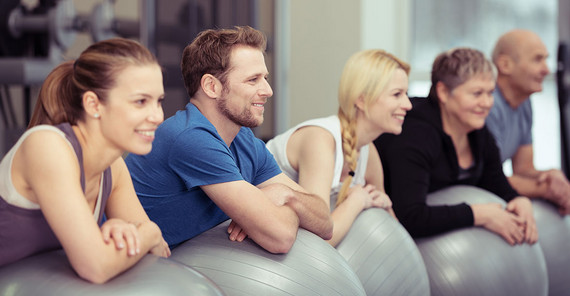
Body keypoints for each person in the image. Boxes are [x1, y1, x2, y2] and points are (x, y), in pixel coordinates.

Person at [125, 26, 333, 253]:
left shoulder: (244, 140)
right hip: (137, 274)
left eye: (265, 78)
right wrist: (277, 210)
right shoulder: (190, 138)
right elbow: (280, 237)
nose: (268, 90)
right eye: (253, 80)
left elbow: (324, 223)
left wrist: (287, 196)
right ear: (212, 86)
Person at [0, 38, 170, 283]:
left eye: (159, 101)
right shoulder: (47, 146)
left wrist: (124, 235)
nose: (158, 116)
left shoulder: (114, 167)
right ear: (93, 104)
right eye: (141, 101)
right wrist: (149, 231)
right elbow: (96, 266)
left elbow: (159, 252)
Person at [374, 48, 538, 246]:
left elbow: (496, 183)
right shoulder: (414, 133)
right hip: (388, 243)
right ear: (443, 92)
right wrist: (478, 214)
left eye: (490, 93)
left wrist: (519, 200)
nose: (486, 103)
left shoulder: (478, 132)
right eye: (477, 93)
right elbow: (410, 216)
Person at [266, 49, 408, 246]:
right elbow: (319, 240)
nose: (408, 104)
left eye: (406, 94)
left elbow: (396, 238)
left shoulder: (369, 152)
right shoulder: (320, 139)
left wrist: (385, 204)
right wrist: (357, 201)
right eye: (397, 94)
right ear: (361, 99)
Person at [486, 29, 570, 215]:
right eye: (537, 59)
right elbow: (487, 179)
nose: (546, 69)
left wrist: (551, 176)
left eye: (546, 59)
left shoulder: (523, 102)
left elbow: (524, 168)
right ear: (505, 64)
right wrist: (547, 189)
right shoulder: (486, 104)